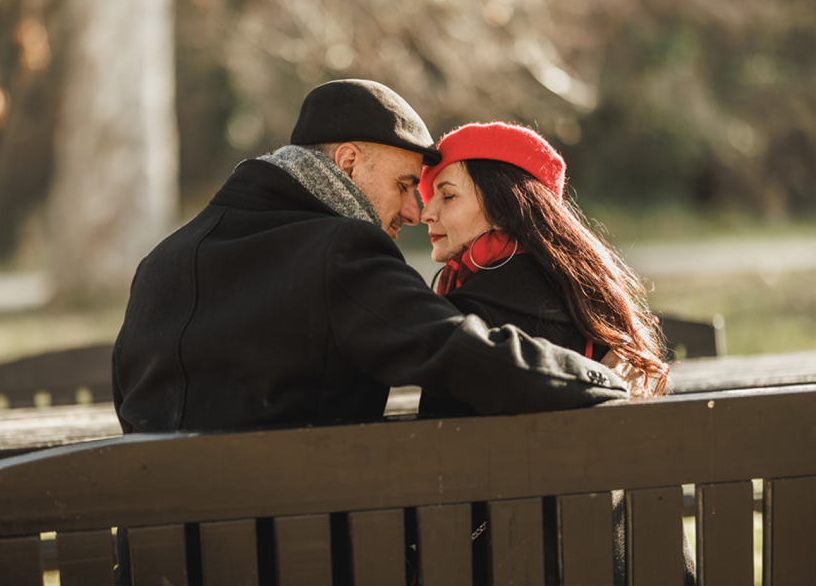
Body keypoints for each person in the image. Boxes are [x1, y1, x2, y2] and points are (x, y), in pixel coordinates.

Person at [111, 80, 627, 582]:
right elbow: (459, 350)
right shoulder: (338, 250)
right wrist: (602, 378)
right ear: (348, 162)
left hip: (149, 564)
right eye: (406, 185)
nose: (413, 210)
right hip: (287, 560)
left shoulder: (160, 263)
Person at [416, 121, 693, 584]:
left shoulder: (471, 318)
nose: (427, 213)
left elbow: (439, 484)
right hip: (641, 559)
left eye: (447, 196)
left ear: (505, 204)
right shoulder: (595, 296)